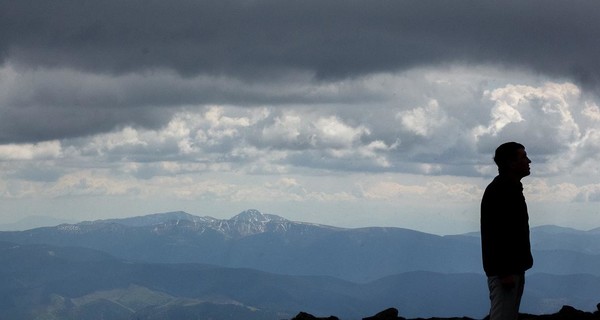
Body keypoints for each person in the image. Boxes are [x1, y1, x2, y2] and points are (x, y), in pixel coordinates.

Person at [481, 142, 534, 320]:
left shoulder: (508, 188)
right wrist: (504, 272)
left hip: (513, 269)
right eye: (524, 157)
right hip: (506, 271)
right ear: (511, 163)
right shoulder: (501, 191)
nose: (529, 161)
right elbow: (496, 234)